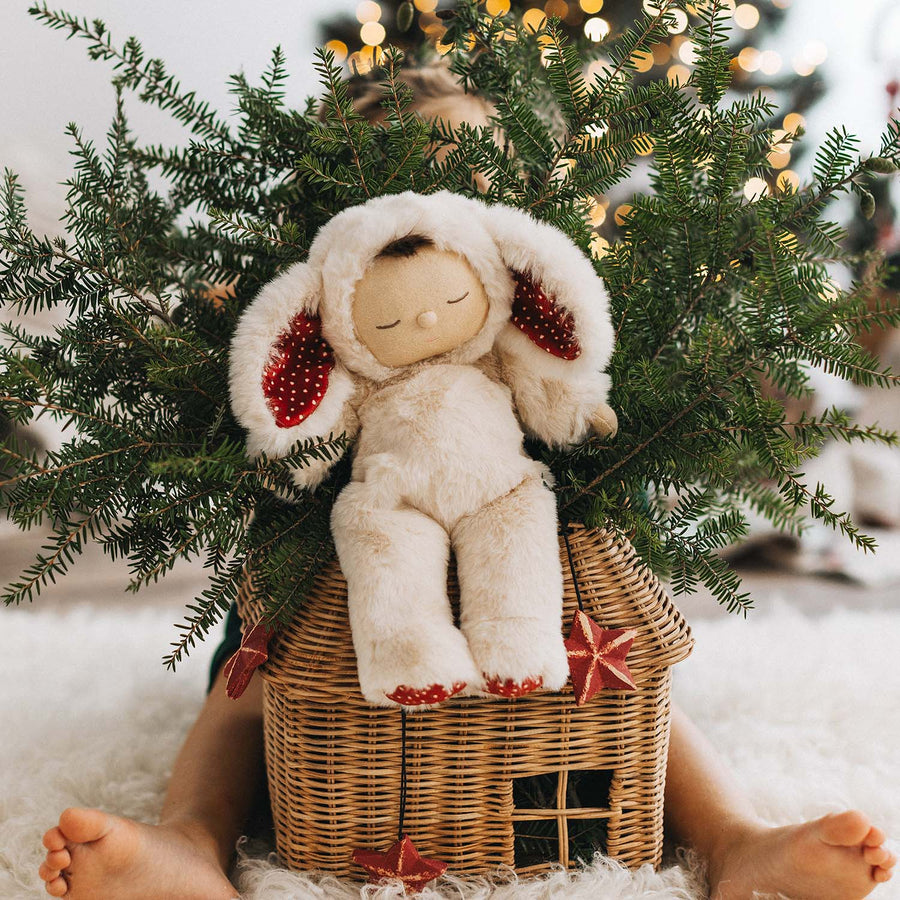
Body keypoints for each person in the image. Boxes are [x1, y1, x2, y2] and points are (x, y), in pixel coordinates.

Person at [37, 63, 896, 900]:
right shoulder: (339, 331)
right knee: (248, 694)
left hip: (535, 591)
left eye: (471, 195)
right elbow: (272, 428)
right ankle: (190, 841)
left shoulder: (533, 323)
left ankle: (735, 839)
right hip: (335, 589)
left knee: (636, 695)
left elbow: (598, 416)